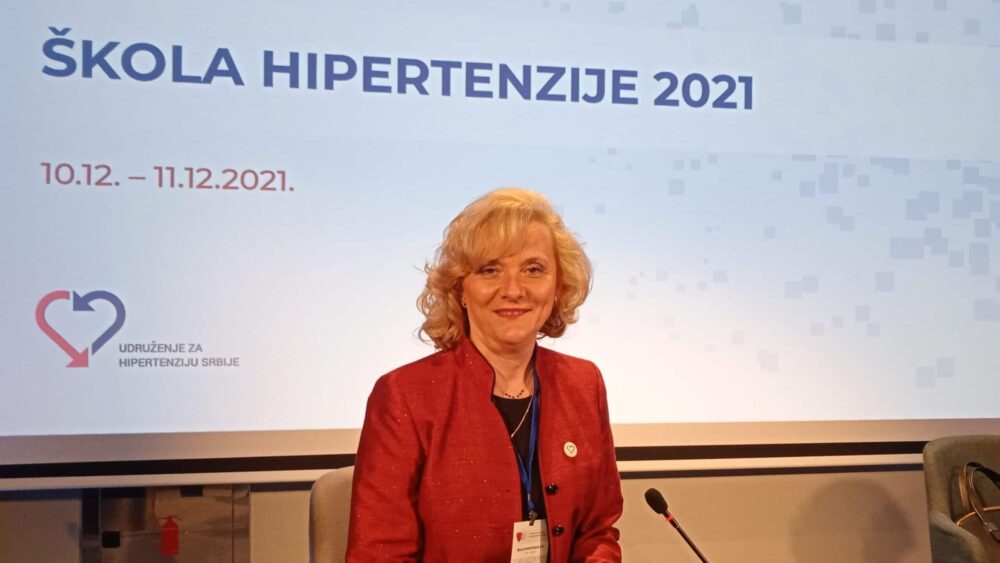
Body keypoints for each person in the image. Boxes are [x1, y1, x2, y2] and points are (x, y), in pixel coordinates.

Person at [347, 188, 623, 562]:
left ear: (558, 286)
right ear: (460, 289)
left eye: (533, 269)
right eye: (490, 270)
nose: (513, 290)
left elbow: (597, 532)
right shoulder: (405, 395)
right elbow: (379, 554)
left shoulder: (583, 383)